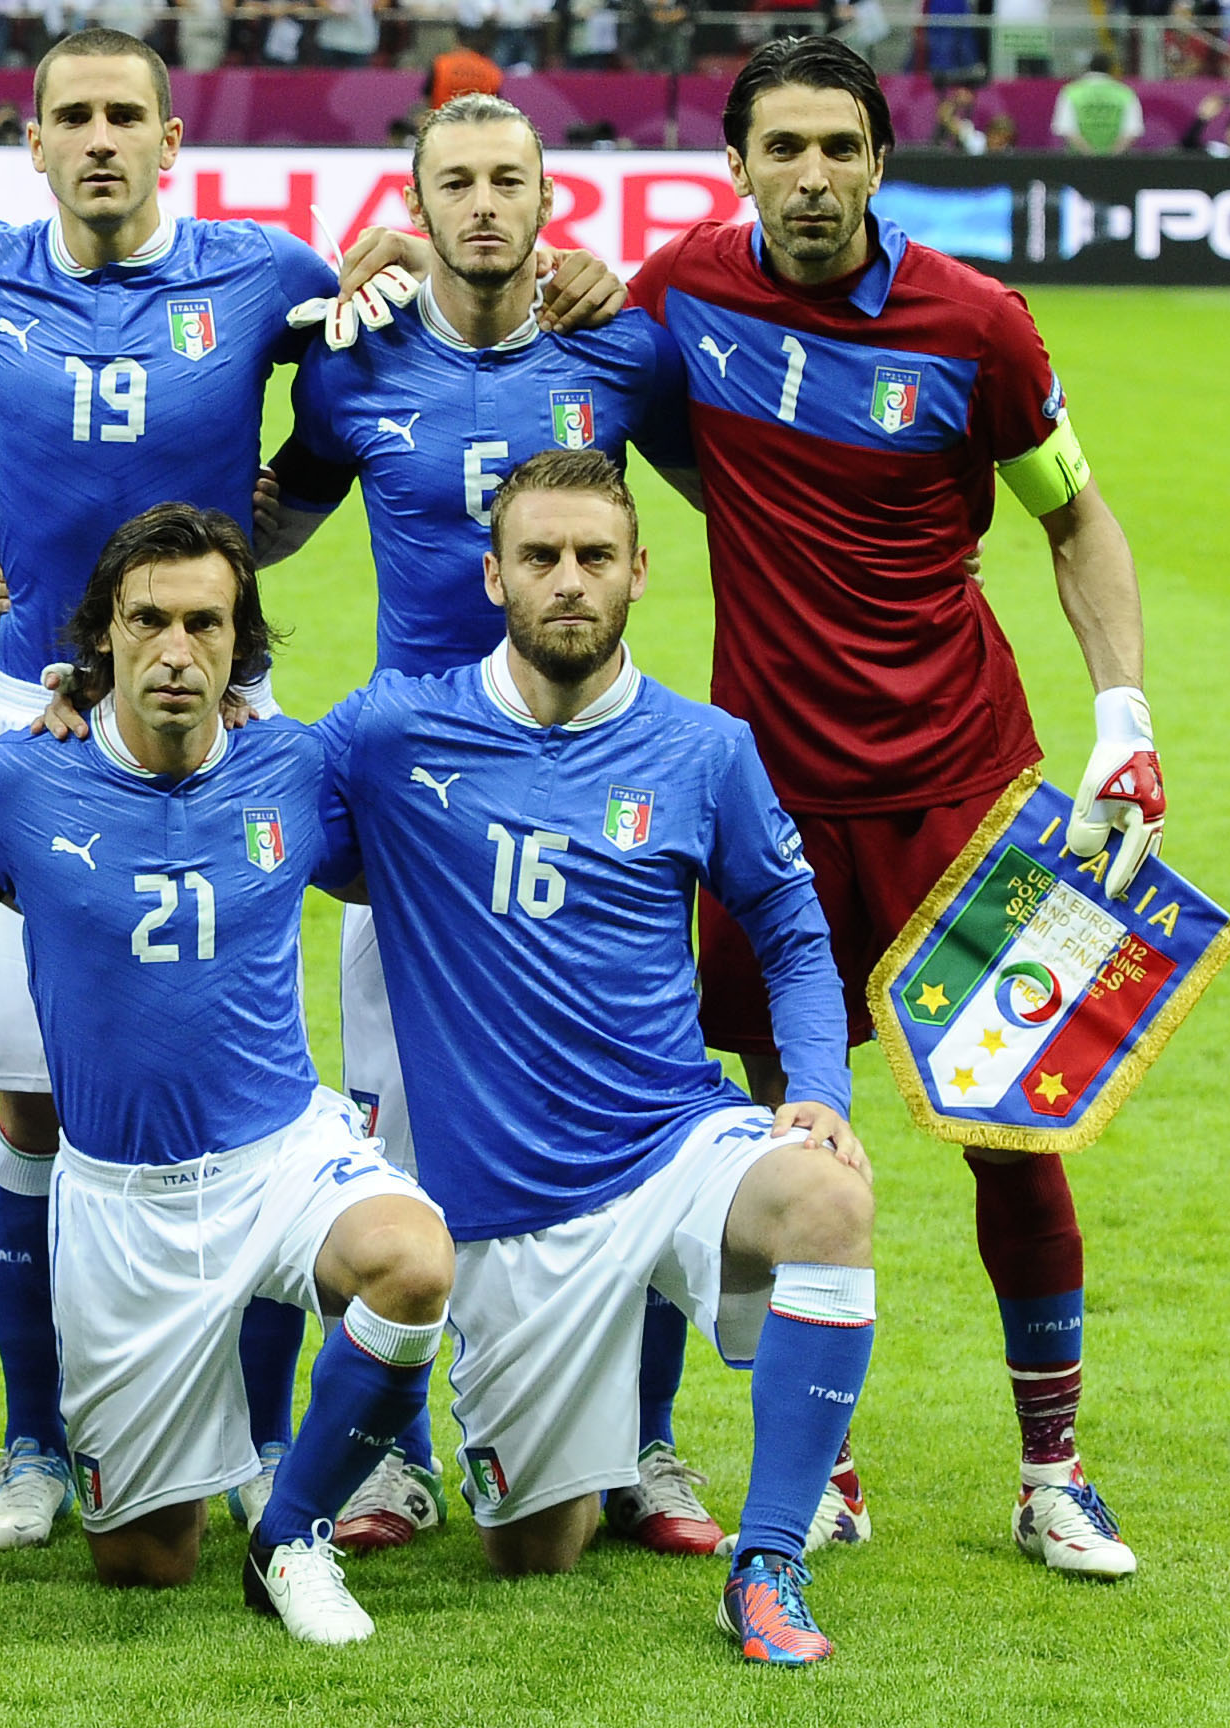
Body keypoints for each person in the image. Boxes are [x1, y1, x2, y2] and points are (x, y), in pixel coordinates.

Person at [626, 37, 1157, 1580]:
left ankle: (1052, 1473)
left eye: (839, 148)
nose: (812, 177)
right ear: (737, 164)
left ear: (879, 161)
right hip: (767, 802)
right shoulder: (683, 291)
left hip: (961, 787)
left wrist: (1124, 723)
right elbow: (613, 400)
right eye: (782, 148)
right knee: (776, 1142)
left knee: (1013, 1133)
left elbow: (1077, 517)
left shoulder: (977, 324)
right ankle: (827, 1471)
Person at [0, 29, 352, 1551]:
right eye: (69, 115)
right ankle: (33, 1441)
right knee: (29, 1101)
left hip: (222, 705)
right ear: (31, 141)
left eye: (122, 115)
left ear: (169, 138)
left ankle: (260, 1444)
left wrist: (281, 524)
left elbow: (359, 384)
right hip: (39, 718)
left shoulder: (264, 274)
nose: (96, 139)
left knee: (239, 1088)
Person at [314, 449, 880, 1666]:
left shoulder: (705, 749)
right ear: (494, 577)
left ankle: (769, 1562)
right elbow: (239, 794)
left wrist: (819, 1094)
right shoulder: (392, 730)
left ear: (638, 573)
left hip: (671, 1141)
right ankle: (576, 1454)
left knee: (828, 1200)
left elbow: (793, 933)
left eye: (594, 556)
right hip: (507, 1207)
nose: (568, 579)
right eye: (540, 556)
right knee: (534, 1550)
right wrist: (86, 698)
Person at [261, 92, 703, 1558]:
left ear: (547, 199)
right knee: (382, 1140)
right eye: (455, 183)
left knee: (628, 1121)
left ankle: (642, 1444)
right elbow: (267, 525)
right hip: (414, 810)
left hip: (593, 800)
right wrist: (66, 567)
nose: (485, 205)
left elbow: (736, 494)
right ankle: (389, 1460)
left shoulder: (620, 350)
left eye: (510, 180)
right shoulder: (353, 363)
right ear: (418, 204)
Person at [0, 503, 456, 1645]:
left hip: (281, 1159)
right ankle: (162, 1470)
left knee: (411, 1263)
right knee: (145, 1566)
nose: (176, 649)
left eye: (206, 624)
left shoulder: (296, 768)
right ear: (101, 634)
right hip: (119, 1207)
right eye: (148, 620)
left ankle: (289, 1533)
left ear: (241, 646)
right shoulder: (21, 780)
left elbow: (406, 870)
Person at [1052, 50, 1144, 152]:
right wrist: (1112, 156)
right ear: (1111, 69)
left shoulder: (1070, 92)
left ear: (1088, 68)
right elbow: (1131, 131)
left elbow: (1067, 130)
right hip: (1117, 161)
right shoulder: (1125, 93)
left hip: (1077, 160)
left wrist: (1090, 156)